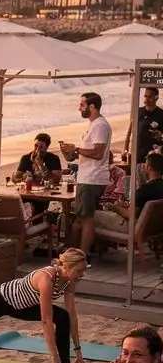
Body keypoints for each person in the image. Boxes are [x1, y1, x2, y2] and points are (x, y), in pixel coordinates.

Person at [60, 92, 112, 257]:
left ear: (92, 106)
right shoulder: (95, 125)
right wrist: (71, 153)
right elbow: (88, 153)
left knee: (85, 218)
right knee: (81, 218)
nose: (79, 108)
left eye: (82, 105)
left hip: (92, 179)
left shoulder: (99, 126)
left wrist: (75, 149)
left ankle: (81, 256)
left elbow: (98, 153)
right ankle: (73, 254)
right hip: (90, 177)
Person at [94, 152, 163, 255]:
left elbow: (129, 215)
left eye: (145, 164)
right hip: (154, 228)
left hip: (133, 227)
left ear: (148, 168)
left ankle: (90, 251)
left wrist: (115, 207)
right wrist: (126, 205)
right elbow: (142, 207)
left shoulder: (144, 190)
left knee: (92, 215)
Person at [124, 85, 163, 171]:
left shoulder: (161, 114)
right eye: (145, 96)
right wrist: (125, 150)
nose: (146, 100)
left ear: (156, 98)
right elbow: (130, 132)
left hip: (155, 158)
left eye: (149, 97)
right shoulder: (138, 112)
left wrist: (160, 137)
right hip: (138, 156)